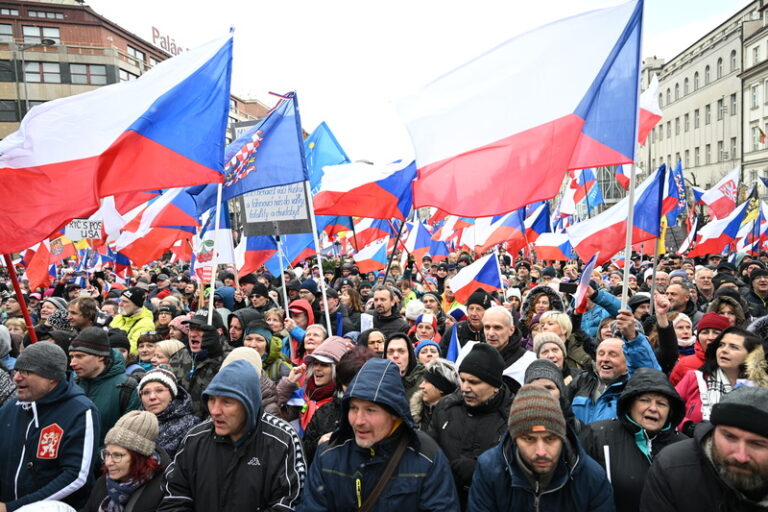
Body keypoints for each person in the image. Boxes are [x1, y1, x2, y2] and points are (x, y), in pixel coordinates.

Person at [298, 358, 459, 512]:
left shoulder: (426, 456)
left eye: (370, 410)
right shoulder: (328, 455)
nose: (359, 420)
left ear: (394, 413)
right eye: (353, 408)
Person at [159, 359, 305, 511]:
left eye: (227, 402)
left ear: (249, 404)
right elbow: (174, 496)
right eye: (211, 400)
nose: (215, 411)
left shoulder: (282, 440)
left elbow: (288, 503)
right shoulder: (195, 438)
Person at [467, 384, 614, 511]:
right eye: (529, 439)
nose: (541, 451)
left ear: (562, 437)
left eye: (550, 438)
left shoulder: (591, 477)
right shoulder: (490, 469)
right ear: (514, 439)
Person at [0, 342, 100, 511]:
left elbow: (76, 476)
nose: (16, 377)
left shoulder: (80, 411)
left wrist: (14, 507)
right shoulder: (11, 407)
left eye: (26, 372)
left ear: (52, 377)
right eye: (17, 370)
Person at [640, 386, 768, 511]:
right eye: (730, 437)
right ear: (714, 432)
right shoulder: (672, 467)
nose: (740, 456)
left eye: (757, 444)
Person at [580, 368, 686, 512]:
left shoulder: (684, 447)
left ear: (670, 411)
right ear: (629, 404)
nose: (653, 408)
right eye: (644, 400)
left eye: (661, 404)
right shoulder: (597, 435)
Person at [428, 343, 513, 508]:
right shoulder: (445, 407)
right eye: (463, 379)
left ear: (495, 386)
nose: (465, 388)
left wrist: (481, 469)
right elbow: (430, 454)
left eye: (473, 382)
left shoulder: (514, 416)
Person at [567, 309, 660, 424]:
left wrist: (632, 337)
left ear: (627, 361)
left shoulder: (633, 386)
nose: (605, 359)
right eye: (601, 354)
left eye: (613, 354)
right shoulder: (582, 380)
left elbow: (649, 375)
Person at [675, 326, 765, 436]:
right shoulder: (695, 378)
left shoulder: (760, 389)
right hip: (692, 445)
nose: (724, 350)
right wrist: (688, 426)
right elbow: (669, 408)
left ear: (750, 356)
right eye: (721, 345)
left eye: (734, 347)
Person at [81, 411, 168, 512]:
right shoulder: (103, 482)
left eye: (117, 455)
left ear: (138, 458)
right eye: (107, 454)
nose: (108, 462)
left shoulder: (163, 489)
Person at [69, 327, 142, 448]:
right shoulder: (72, 385)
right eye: (71, 357)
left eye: (79, 356)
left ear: (100, 356)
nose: (72, 363)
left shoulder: (127, 388)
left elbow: (128, 438)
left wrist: (99, 458)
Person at [302, 346, 376, 465]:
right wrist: (318, 445)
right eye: (347, 383)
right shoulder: (324, 413)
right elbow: (303, 455)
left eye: (358, 382)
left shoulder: (388, 416)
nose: (353, 389)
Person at [138, 366, 200, 459]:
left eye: (159, 390)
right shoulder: (134, 422)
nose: (152, 397)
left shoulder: (191, 425)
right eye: (146, 392)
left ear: (172, 394)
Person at [482, 305, 536, 390]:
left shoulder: (530, 360)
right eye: (487, 327)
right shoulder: (471, 352)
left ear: (511, 330)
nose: (491, 333)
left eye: (497, 328)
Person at [668, 312, 729, 385]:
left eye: (716, 333)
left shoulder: (736, 364)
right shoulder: (683, 364)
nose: (710, 337)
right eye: (705, 332)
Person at [439, 289, 492, 356]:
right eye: (471, 308)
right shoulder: (455, 331)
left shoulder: (492, 332)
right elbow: (441, 355)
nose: (473, 313)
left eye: (478, 309)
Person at [413, 358, 459, 431]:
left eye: (427, 382)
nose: (421, 386)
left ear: (441, 388)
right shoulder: (416, 412)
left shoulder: (456, 418)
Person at [110, 288, 155, 354]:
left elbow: (133, 349)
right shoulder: (119, 317)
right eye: (120, 300)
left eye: (125, 302)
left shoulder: (146, 323)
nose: (120, 304)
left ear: (136, 305)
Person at [383, 332, 424, 402]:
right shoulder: (379, 380)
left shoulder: (424, 380)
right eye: (390, 351)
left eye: (401, 351)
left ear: (410, 355)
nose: (395, 355)